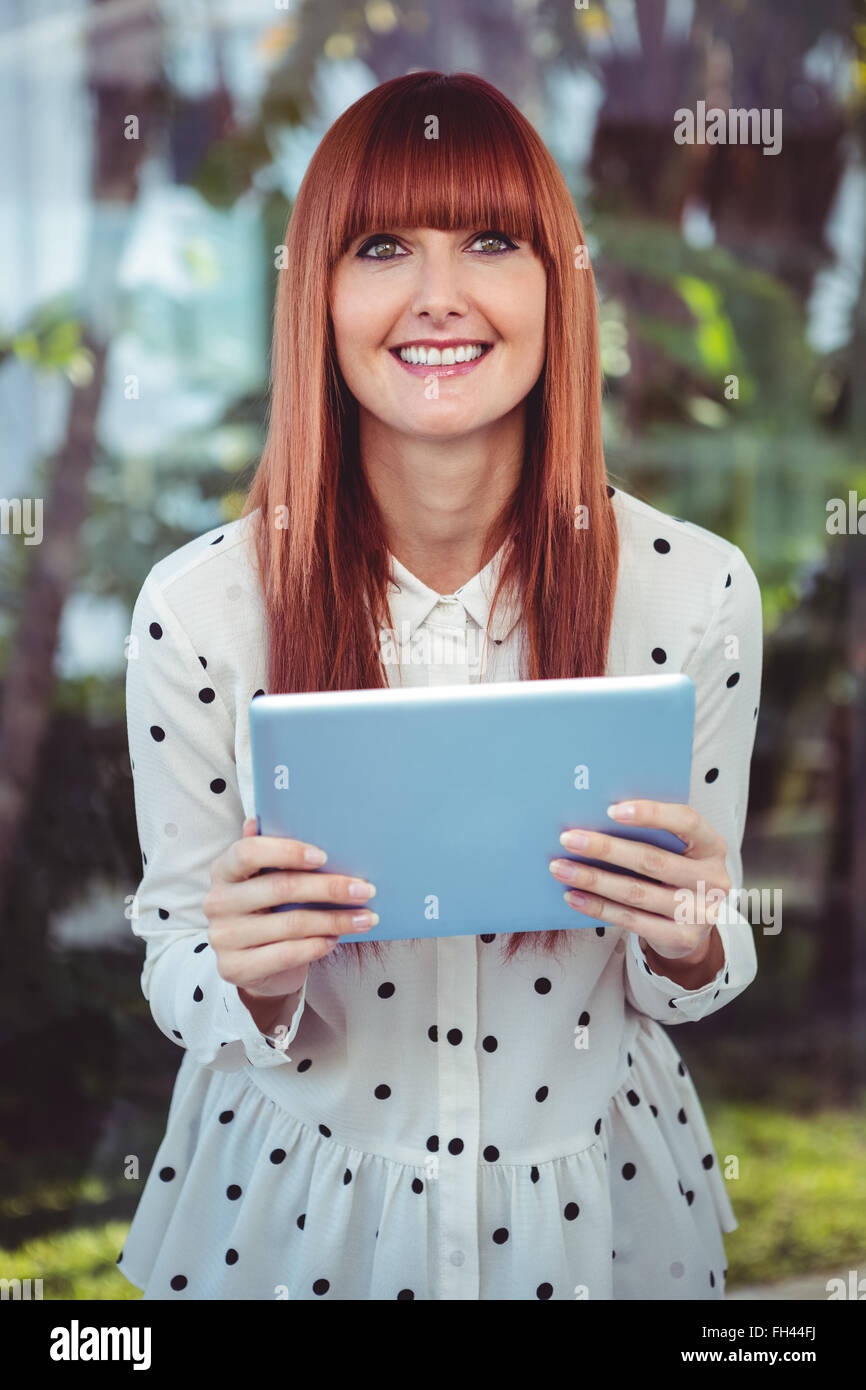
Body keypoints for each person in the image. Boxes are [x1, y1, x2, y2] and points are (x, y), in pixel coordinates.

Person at [118, 70, 761, 1301]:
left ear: (552, 287)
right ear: (318, 295)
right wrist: (247, 970)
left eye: (487, 240)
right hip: (289, 1217)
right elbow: (170, 953)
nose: (437, 298)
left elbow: (705, 952)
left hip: (597, 1215)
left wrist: (688, 937)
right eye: (379, 247)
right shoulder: (199, 608)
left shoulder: (694, 595)